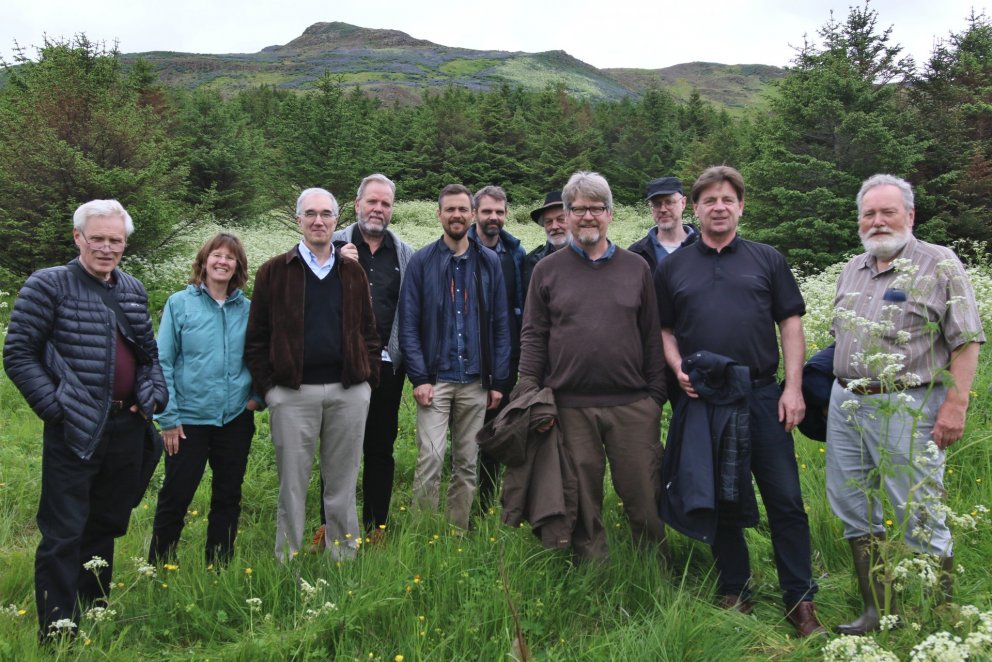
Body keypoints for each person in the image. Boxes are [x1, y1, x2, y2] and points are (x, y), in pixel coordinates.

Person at [654, 166, 824, 637]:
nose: (719, 207)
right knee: (717, 497)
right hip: (705, 398)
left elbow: (790, 324)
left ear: (741, 206)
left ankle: (800, 600)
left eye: (728, 199)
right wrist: (677, 368)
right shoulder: (673, 267)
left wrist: (792, 388)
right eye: (710, 200)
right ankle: (736, 589)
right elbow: (664, 330)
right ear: (697, 207)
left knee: (786, 499)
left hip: (763, 394)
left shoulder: (767, 259)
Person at [826, 174, 985, 635]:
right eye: (869, 213)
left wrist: (955, 406)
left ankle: (938, 618)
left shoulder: (939, 264)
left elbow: (967, 339)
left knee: (918, 510)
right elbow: (841, 338)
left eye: (887, 212)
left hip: (907, 406)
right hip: (846, 406)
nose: (877, 221)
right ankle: (879, 611)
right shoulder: (852, 268)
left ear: (910, 216)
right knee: (854, 507)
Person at [3, 199, 168, 639]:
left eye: (115, 240)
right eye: (97, 238)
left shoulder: (131, 289)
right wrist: (56, 409)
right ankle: (58, 631)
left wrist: (150, 398)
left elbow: (150, 359)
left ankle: (93, 612)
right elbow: (18, 354)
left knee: (105, 525)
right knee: (63, 533)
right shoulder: (48, 285)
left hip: (125, 428)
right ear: (78, 237)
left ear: (125, 243)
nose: (107, 247)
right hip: (73, 428)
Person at [518, 171, 667, 563]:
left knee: (644, 493)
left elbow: (651, 336)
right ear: (565, 216)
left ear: (610, 215)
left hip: (633, 404)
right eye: (578, 208)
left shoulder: (637, 268)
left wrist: (654, 398)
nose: (587, 216)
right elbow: (534, 336)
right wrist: (530, 393)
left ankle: (651, 566)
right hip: (570, 405)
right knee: (581, 498)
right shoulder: (546, 272)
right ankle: (591, 571)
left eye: (596, 208)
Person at [244, 187, 380, 561]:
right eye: (310, 214)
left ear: (337, 220)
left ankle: (344, 557)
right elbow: (256, 337)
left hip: (347, 391)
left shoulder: (352, 271)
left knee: (342, 482)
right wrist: (271, 389)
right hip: (292, 393)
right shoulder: (274, 271)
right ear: (299, 219)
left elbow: (369, 331)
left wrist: (366, 382)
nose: (318, 221)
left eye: (326, 214)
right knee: (293, 484)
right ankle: (287, 559)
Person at [307, 174, 414, 549]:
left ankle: (376, 526)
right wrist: (333, 261)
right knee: (336, 446)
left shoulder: (405, 253)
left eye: (385, 204)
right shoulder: (329, 243)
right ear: (356, 204)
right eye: (372, 202)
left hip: (385, 365)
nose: (378, 209)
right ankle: (329, 525)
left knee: (380, 447)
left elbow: (409, 311)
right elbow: (303, 288)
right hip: (339, 363)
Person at [398, 183, 511, 530]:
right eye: (450, 209)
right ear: (439, 214)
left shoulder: (489, 262)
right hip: (437, 379)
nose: (457, 215)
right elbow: (409, 324)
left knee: (467, 462)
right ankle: (424, 531)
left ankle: (456, 531)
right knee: (430, 457)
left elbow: (501, 325)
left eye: (463, 209)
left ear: (472, 214)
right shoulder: (422, 261)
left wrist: (498, 383)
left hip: (476, 380)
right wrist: (418, 378)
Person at [148, 233, 261, 566]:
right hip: (188, 421)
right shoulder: (179, 304)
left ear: (238, 266)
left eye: (231, 257)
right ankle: (159, 566)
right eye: (217, 255)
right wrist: (167, 416)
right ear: (204, 260)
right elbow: (162, 361)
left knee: (228, 497)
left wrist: (256, 398)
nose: (223, 262)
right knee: (176, 496)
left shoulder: (248, 308)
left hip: (235, 419)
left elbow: (259, 356)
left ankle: (219, 567)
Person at [467, 185, 526, 514]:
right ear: (475, 213)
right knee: (464, 432)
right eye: (487, 211)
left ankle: (485, 501)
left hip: (504, 356)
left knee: (493, 429)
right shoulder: (461, 246)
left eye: (499, 212)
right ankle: (461, 497)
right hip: (467, 355)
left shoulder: (514, 252)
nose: (494, 218)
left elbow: (519, 307)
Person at [628, 176, 697, 271]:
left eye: (669, 202)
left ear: (683, 203)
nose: (663, 209)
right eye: (657, 204)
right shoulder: (636, 254)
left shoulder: (706, 247)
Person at [521, 191, 569, 297]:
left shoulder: (591, 258)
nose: (554, 226)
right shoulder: (531, 262)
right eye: (548, 221)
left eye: (561, 220)